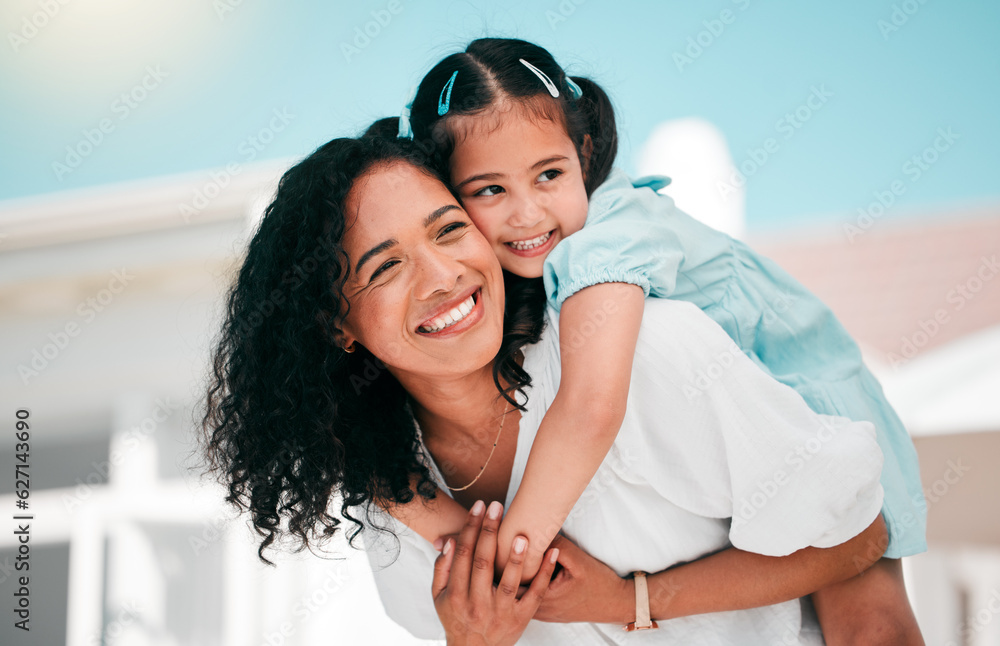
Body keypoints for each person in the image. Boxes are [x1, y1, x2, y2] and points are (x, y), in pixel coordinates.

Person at [201, 130, 891, 644]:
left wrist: (633, 598)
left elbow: (858, 540)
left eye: (449, 230)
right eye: (385, 268)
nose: (442, 277)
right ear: (336, 326)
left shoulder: (648, 352)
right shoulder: (395, 504)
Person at [394, 37, 926, 642]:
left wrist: (512, 559)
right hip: (746, 422)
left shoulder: (609, 239)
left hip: (813, 396)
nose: (527, 213)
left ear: (584, 154)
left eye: (549, 174)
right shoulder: (529, 270)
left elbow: (592, 408)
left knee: (872, 627)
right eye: (489, 190)